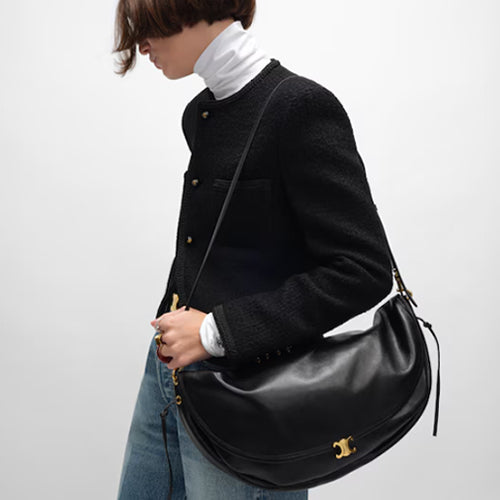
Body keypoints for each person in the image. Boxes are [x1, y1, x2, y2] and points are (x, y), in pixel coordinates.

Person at [112, 1, 393, 498]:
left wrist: (217, 332)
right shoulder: (201, 114)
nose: (142, 44)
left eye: (147, 25)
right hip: (167, 373)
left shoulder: (299, 108)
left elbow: (362, 269)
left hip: (249, 396)